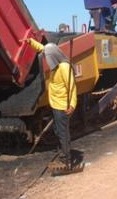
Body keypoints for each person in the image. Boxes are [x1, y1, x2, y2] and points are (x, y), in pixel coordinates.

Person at [27, 38, 77, 166]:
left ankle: (67, 160)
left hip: (62, 106)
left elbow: (71, 87)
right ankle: (63, 151)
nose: (48, 62)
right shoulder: (55, 60)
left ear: (54, 57)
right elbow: (43, 49)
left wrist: (72, 104)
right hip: (55, 104)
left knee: (63, 133)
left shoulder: (65, 67)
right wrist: (30, 42)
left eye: (49, 59)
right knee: (58, 130)